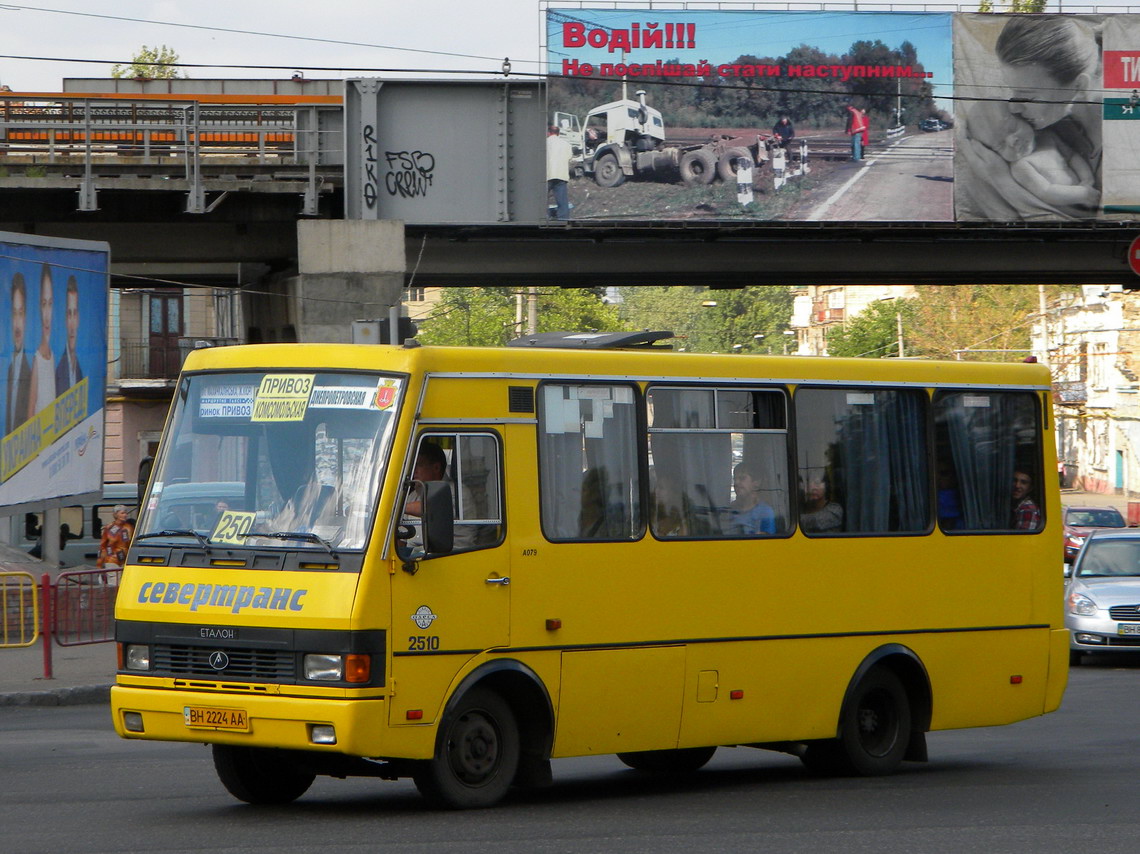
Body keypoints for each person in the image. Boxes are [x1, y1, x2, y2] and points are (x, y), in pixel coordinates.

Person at [960, 15, 1101, 220]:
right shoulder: (1041, 133)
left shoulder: (1118, 139)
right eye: (1013, 93)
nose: (1014, 108)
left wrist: (1003, 182)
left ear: (1078, 86)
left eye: (1028, 95)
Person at [967, 100, 1098, 211]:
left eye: (1013, 128)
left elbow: (1072, 156)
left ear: (1024, 118)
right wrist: (1082, 194)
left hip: (1087, 192)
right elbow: (1046, 192)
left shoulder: (1048, 137)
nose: (1012, 141)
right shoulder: (1021, 167)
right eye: (1000, 145)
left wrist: (1087, 179)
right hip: (1071, 206)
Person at [28, 263, 56, 416]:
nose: (47, 315)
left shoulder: (53, 357)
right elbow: (30, 414)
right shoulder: (37, 359)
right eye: (44, 303)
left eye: (50, 304)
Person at [6, 272, 32, 435]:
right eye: (14, 314)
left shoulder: (30, 373)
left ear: (26, 318)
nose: (17, 325)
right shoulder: (10, 368)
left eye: (20, 313)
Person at [55, 275, 83, 395]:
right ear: (65, 319)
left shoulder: (79, 368)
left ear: (79, 318)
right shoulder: (58, 368)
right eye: (69, 314)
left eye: (74, 313)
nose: (72, 323)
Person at [730, 462, 776, 535]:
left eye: (742, 478)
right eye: (735, 479)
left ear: (756, 483)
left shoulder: (765, 512)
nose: (736, 482)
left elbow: (767, 542)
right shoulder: (728, 510)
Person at [546, 124, 573, 220]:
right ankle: (563, 219)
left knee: (542, 199)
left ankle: (544, 217)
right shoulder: (566, 144)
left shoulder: (544, 143)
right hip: (561, 174)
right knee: (562, 201)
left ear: (548, 132)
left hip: (547, 174)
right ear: (558, 133)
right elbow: (569, 157)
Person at [96, 504, 134, 569]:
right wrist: (99, 564)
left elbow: (131, 544)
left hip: (125, 561)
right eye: (122, 513)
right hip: (111, 560)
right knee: (113, 578)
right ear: (116, 515)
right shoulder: (108, 528)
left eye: (126, 513)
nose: (125, 515)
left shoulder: (129, 528)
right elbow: (103, 547)